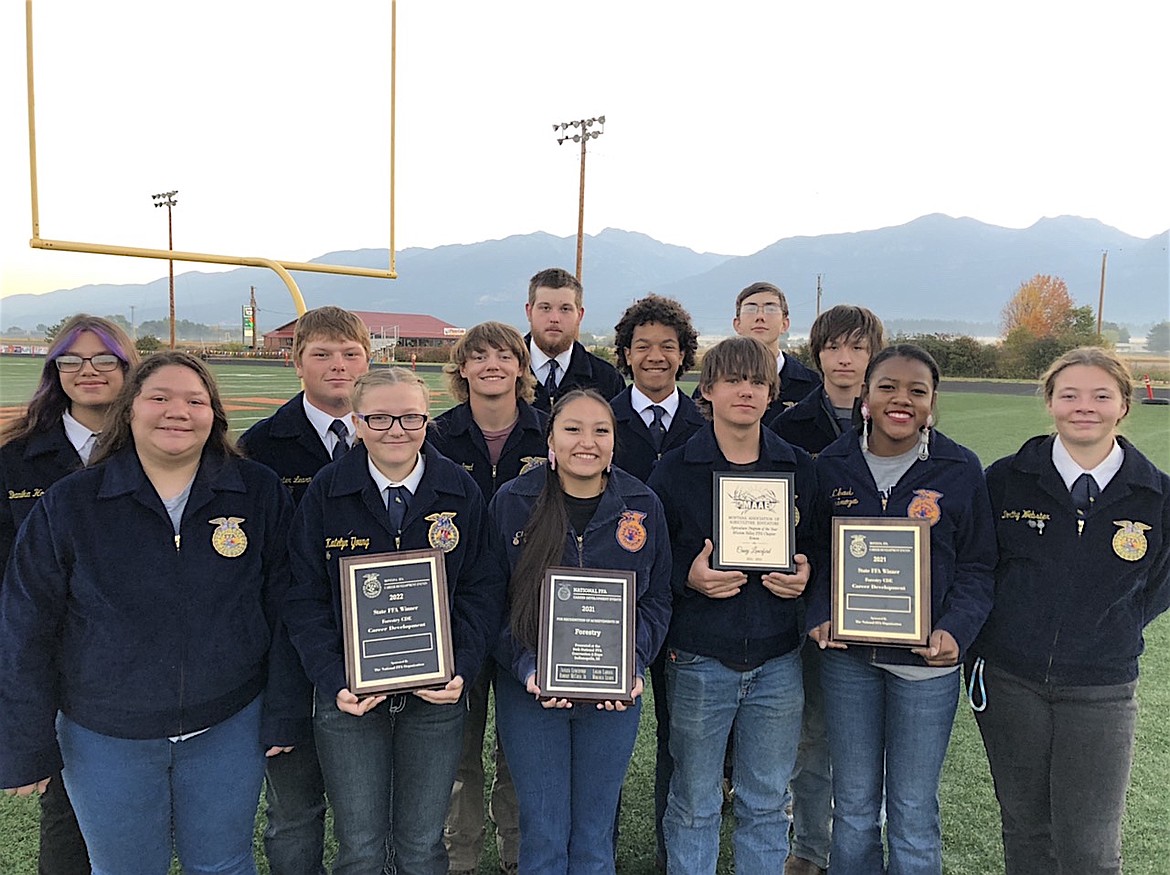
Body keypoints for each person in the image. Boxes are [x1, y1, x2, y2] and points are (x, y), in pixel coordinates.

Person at [0, 351, 299, 875]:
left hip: (227, 722)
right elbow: (27, 624)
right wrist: (26, 740)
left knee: (224, 864)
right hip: (105, 732)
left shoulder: (257, 491)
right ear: (130, 411)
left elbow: (283, 606)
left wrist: (284, 710)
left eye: (194, 400)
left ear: (214, 414)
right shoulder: (72, 502)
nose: (176, 411)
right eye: (158, 397)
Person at [285, 368, 506, 875]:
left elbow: (483, 587)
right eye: (380, 417)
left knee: (423, 844)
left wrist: (462, 667)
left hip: (436, 695)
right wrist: (333, 676)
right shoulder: (326, 491)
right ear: (357, 422)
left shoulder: (460, 490)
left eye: (410, 417)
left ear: (427, 420)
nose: (396, 429)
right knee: (360, 846)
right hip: (350, 697)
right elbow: (303, 595)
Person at [968, 347, 1170, 875]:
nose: (1086, 407)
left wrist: (1110, 627)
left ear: (1123, 405)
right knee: (1027, 832)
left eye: (1101, 395)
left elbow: (1157, 586)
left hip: (1101, 688)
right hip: (1010, 681)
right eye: (1070, 395)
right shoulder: (1005, 479)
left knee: (1090, 848)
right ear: (1051, 402)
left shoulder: (1157, 497)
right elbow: (981, 568)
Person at [806, 344, 996, 875]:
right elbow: (816, 554)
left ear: (933, 402)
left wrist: (955, 630)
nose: (901, 399)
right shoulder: (831, 466)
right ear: (864, 396)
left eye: (917, 390)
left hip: (925, 667)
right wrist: (820, 611)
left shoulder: (959, 468)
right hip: (848, 662)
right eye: (887, 386)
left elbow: (979, 567)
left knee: (912, 808)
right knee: (856, 806)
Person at [648, 336, 816, 874]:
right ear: (709, 389)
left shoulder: (798, 467)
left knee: (766, 802)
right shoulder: (675, 469)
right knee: (695, 801)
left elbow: (818, 550)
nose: (746, 391)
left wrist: (808, 576)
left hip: (778, 659)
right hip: (699, 657)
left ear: (772, 393)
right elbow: (651, 560)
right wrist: (687, 576)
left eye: (758, 382)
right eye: (734, 380)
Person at [488, 388, 672, 874]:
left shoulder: (642, 503)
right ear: (550, 438)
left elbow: (656, 598)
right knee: (545, 833)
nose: (586, 442)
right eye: (572, 429)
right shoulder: (514, 501)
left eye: (600, 430)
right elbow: (491, 601)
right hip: (531, 695)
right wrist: (528, 667)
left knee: (593, 836)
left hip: (613, 697)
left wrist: (632, 662)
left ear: (615, 441)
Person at [0, 314, 138, 875]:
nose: (89, 371)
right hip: (56, 657)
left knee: (143, 804)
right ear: (54, 370)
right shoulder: (15, 458)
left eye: (105, 359)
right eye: (72, 360)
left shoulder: (162, 449)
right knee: (67, 807)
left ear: (127, 369)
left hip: (142, 655)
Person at [238, 305, 371, 875]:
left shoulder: (399, 434)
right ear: (296, 363)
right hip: (287, 652)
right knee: (294, 806)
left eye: (350, 354)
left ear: (369, 360)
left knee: (370, 810)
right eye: (321, 354)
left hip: (380, 647)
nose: (337, 366)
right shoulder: (261, 445)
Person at [429, 322, 547, 875]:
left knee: (519, 752)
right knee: (458, 751)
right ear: (463, 369)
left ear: (523, 366)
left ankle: (519, 856)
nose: (492, 364)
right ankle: (461, 858)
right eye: (479, 356)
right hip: (459, 614)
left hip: (532, 615)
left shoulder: (549, 433)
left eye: (505, 354)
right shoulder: (433, 435)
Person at [771, 303, 884, 875]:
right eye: (834, 347)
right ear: (817, 355)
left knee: (870, 741)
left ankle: (863, 846)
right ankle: (810, 848)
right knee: (812, 734)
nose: (846, 359)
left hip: (886, 607)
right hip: (810, 607)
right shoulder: (787, 427)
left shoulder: (902, 421)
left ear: (874, 354)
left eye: (858, 347)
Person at [609, 293, 705, 868]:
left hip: (689, 606)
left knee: (681, 743)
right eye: (642, 345)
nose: (655, 356)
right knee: (606, 738)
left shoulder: (707, 422)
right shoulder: (601, 419)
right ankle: (603, 849)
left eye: (668, 346)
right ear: (625, 354)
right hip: (611, 607)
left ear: (684, 355)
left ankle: (677, 855)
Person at [525, 267, 625, 411]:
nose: (554, 319)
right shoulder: (505, 374)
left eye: (565, 309)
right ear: (529, 312)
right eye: (545, 308)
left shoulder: (607, 379)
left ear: (580, 315)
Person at [726, 281, 821, 426]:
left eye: (770, 309)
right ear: (737, 324)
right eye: (751, 309)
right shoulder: (715, 382)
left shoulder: (812, 386)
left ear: (785, 324)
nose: (760, 317)